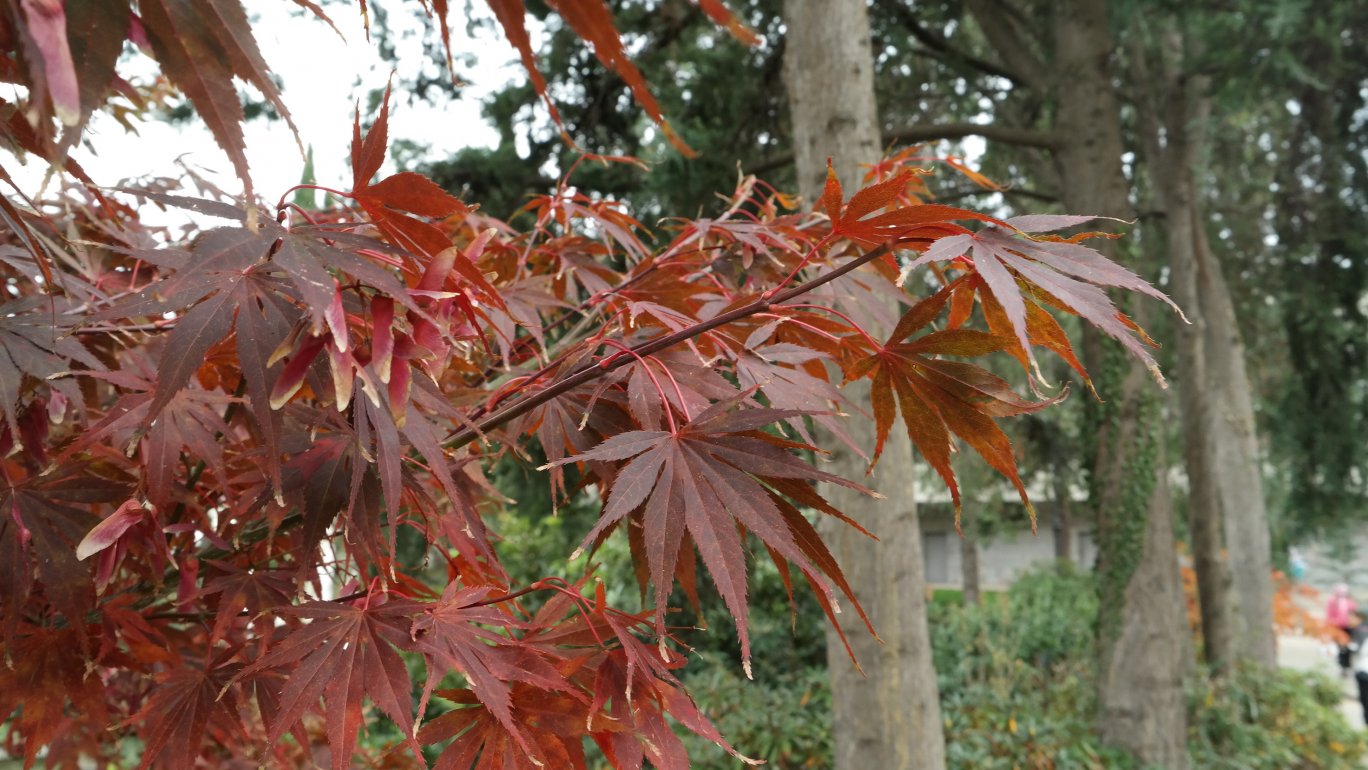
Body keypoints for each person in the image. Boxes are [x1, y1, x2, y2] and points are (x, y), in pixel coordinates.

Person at [1327, 583, 1358, 676]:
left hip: (1349, 628)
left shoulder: (1350, 602)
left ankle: (1346, 665)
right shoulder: (1332, 602)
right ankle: (1342, 666)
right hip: (1338, 627)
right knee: (1340, 648)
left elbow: (1354, 614)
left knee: (1348, 647)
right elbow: (1329, 615)